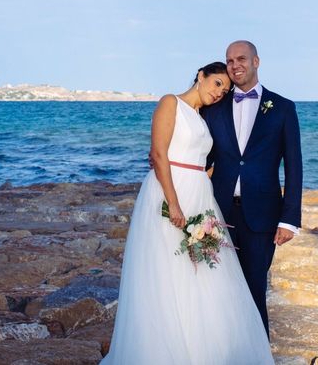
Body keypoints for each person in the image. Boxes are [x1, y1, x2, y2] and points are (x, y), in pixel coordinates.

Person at [101, 62, 274, 365]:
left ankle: (203, 349)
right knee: (166, 269)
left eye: (225, 88)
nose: (220, 92)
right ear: (200, 76)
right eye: (217, 83)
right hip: (170, 193)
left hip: (200, 195)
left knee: (204, 271)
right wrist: (174, 202)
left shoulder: (202, 116)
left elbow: (206, 158)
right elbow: (158, 153)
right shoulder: (171, 103)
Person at [200, 40, 303, 336]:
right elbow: (202, 156)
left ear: (256, 61)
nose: (235, 65)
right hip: (217, 214)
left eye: (241, 59)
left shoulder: (283, 108)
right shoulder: (215, 108)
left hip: (263, 218)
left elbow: (294, 166)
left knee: (254, 289)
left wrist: (289, 219)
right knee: (218, 289)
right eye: (230, 61)